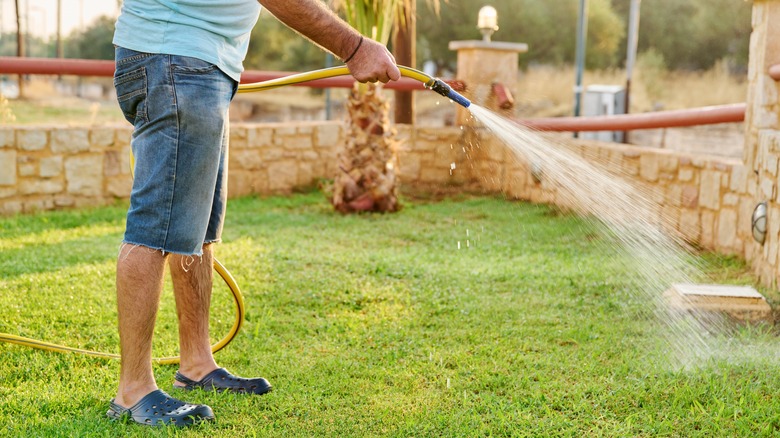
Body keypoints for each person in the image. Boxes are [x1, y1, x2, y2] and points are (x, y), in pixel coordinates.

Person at [107, 0, 401, 427]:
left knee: (196, 228)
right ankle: (133, 390)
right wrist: (354, 47)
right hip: (176, 57)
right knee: (155, 229)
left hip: (197, 62)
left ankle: (196, 365)